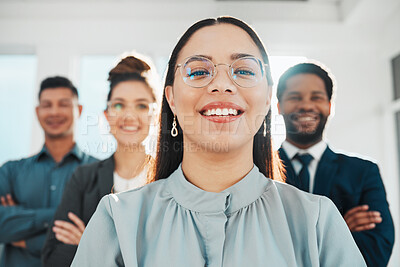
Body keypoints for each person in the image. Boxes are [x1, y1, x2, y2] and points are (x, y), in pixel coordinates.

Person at [71, 17, 366, 266]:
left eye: (244, 71)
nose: (222, 84)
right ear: (171, 98)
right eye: (198, 71)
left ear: (267, 98)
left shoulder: (317, 222)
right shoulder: (118, 220)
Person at [41, 55, 158, 266]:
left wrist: (90, 243)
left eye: (141, 106)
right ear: (107, 115)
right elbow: (53, 258)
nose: (129, 116)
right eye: (119, 105)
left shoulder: (169, 177)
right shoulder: (84, 177)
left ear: (154, 115)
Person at [277, 62, 394, 267]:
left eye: (316, 97)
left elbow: (377, 252)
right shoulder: (255, 167)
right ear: (279, 106)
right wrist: (339, 231)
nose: (306, 105)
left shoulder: (364, 172)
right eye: (295, 97)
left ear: (330, 106)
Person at [0, 76, 97, 267]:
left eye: (63, 104)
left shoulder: (98, 171)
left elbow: (99, 237)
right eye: (47, 105)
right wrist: (66, 217)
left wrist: (20, 226)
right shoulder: (10, 172)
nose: (54, 112)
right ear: (37, 111)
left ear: (78, 110)